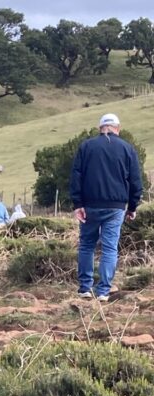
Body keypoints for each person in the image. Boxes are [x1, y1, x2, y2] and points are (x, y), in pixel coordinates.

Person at [70, 112, 142, 303]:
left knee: (87, 245)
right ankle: (103, 290)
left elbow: (76, 176)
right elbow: (135, 181)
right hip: (116, 207)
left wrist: (78, 204)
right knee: (110, 248)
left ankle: (85, 288)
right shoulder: (127, 148)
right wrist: (132, 206)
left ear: (100, 128)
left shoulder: (86, 146)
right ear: (118, 128)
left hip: (90, 205)